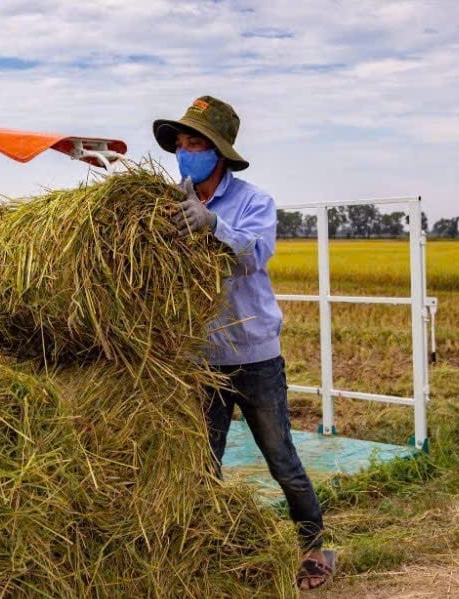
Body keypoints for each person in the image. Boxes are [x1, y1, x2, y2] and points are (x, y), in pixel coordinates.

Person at [153, 96, 334, 591]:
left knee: (281, 458)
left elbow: (254, 256)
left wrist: (212, 225)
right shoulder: (166, 205)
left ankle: (314, 546)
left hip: (254, 356)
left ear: (220, 151)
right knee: (201, 463)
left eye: (196, 143)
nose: (186, 151)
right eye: (181, 144)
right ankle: (206, 548)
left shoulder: (254, 201)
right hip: (201, 359)